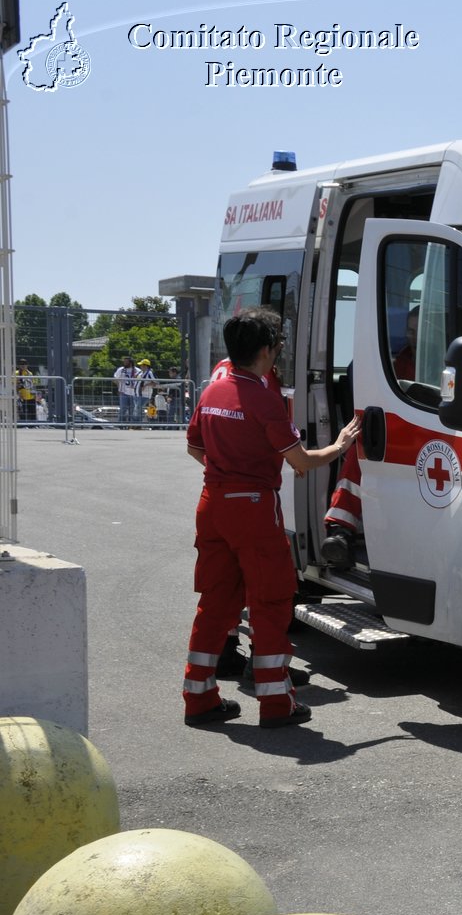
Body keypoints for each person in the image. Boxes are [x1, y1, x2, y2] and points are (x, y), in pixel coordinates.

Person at [181, 307, 361, 728]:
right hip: (253, 509)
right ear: (267, 350)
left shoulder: (212, 391)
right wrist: (340, 445)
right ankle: (277, 704)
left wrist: (226, 466)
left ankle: (199, 698)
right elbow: (300, 461)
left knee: (216, 602)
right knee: (270, 601)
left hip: (212, 504)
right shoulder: (263, 398)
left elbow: (193, 447)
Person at [320, 306, 417, 568]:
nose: (414, 337)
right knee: (359, 450)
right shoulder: (398, 363)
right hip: (399, 433)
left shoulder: (439, 361)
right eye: (410, 330)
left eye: (420, 331)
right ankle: (340, 532)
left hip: (429, 435)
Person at [113, 355, 146, 424]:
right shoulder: (121, 369)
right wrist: (119, 387)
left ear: (130, 362)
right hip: (123, 392)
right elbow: (115, 379)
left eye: (126, 362)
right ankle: (121, 424)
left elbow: (142, 381)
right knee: (123, 410)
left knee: (133, 410)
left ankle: (132, 425)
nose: (124, 363)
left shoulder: (137, 370)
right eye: (124, 362)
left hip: (134, 394)